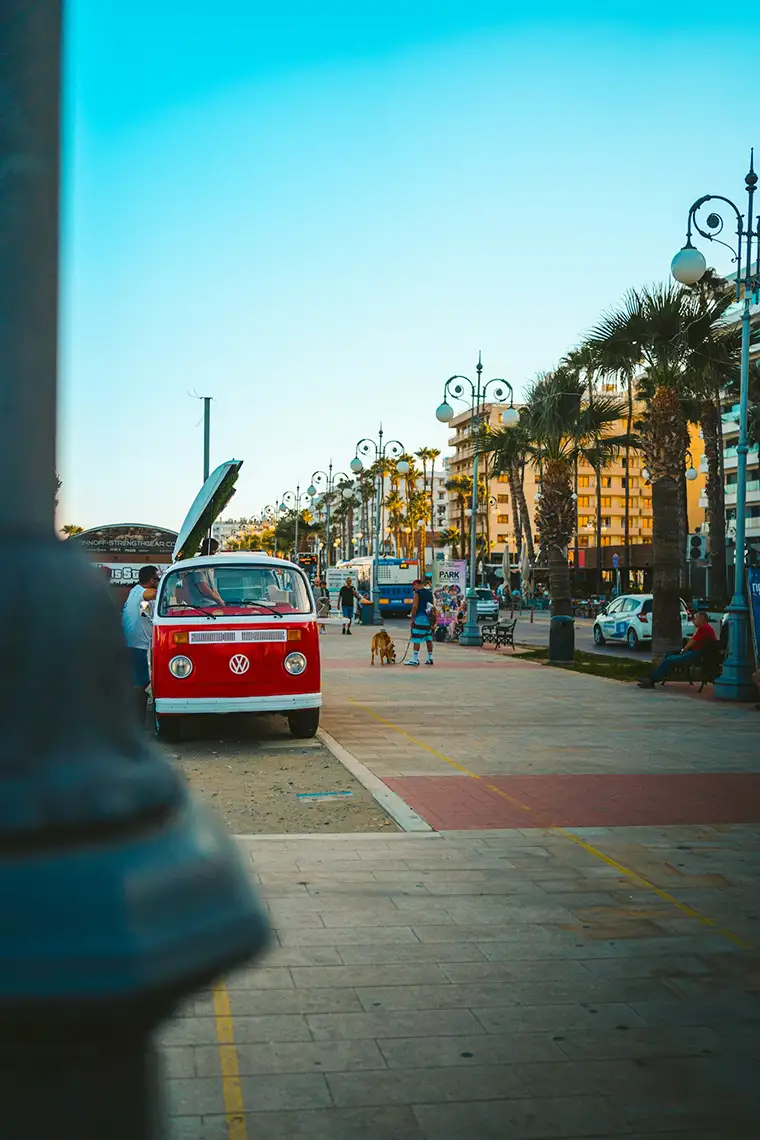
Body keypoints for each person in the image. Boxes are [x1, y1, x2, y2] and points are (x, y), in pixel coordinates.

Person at [637, 611, 718, 688]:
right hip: (698, 653)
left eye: (696, 619)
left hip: (696, 654)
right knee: (669, 656)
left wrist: (683, 651)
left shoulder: (704, 628)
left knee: (669, 660)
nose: (694, 621)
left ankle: (651, 679)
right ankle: (653, 677)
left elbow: (692, 642)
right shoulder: (706, 628)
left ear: (702, 619)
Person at [122, 564, 159, 725]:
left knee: (137, 681)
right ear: (151, 580)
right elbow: (151, 594)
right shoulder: (142, 592)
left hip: (134, 643)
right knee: (141, 683)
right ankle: (137, 721)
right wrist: (167, 585)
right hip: (136, 645)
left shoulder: (135, 592)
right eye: (158, 579)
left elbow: (144, 612)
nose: (158, 582)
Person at [406, 578, 437, 666]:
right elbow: (432, 607)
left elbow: (415, 606)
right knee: (428, 639)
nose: (414, 589)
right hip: (428, 619)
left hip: (419, 618)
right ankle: (430, 657)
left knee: (416, 638)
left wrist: (412, 619)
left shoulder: (417, 593)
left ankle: (415, 659)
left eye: (414, 587)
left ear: (416, 585)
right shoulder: (429, 593)